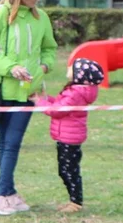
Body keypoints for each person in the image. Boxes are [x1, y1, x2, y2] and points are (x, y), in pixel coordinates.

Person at [0, 0, 56, 215]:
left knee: (11, 144)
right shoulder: (1, 14)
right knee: (7, 144)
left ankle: (7, 193)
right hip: (3, 91)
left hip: (29, 93)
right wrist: (12, 68)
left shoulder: (41, 17)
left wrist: (44, 66)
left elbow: (49, 49)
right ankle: (1, 195)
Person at [34, 58, 102, 213]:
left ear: (80, 75)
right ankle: (74, 200)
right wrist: (45, 99)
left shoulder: (76, 93)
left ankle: (76, 202)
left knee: (68, 170)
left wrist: (39, 102)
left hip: (69, 138)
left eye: (73, 67)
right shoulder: (75, 91)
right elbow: (59, 103)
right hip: (66, 136)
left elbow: (57, 111)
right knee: (67, 169)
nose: (69, 68)